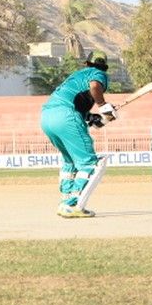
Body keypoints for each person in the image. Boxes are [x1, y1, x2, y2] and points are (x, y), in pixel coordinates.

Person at [40, 50, 116, 218]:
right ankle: (73, 205)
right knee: (92, 163)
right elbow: (95, 86)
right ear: (105, 67)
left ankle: (65, 201)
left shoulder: (76, 76)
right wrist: (104, 107)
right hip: (67, 116)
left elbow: (78, 106)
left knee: (70, 161)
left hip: (47, 116)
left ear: (86, 63)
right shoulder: (98, 73)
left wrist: (97, 118)